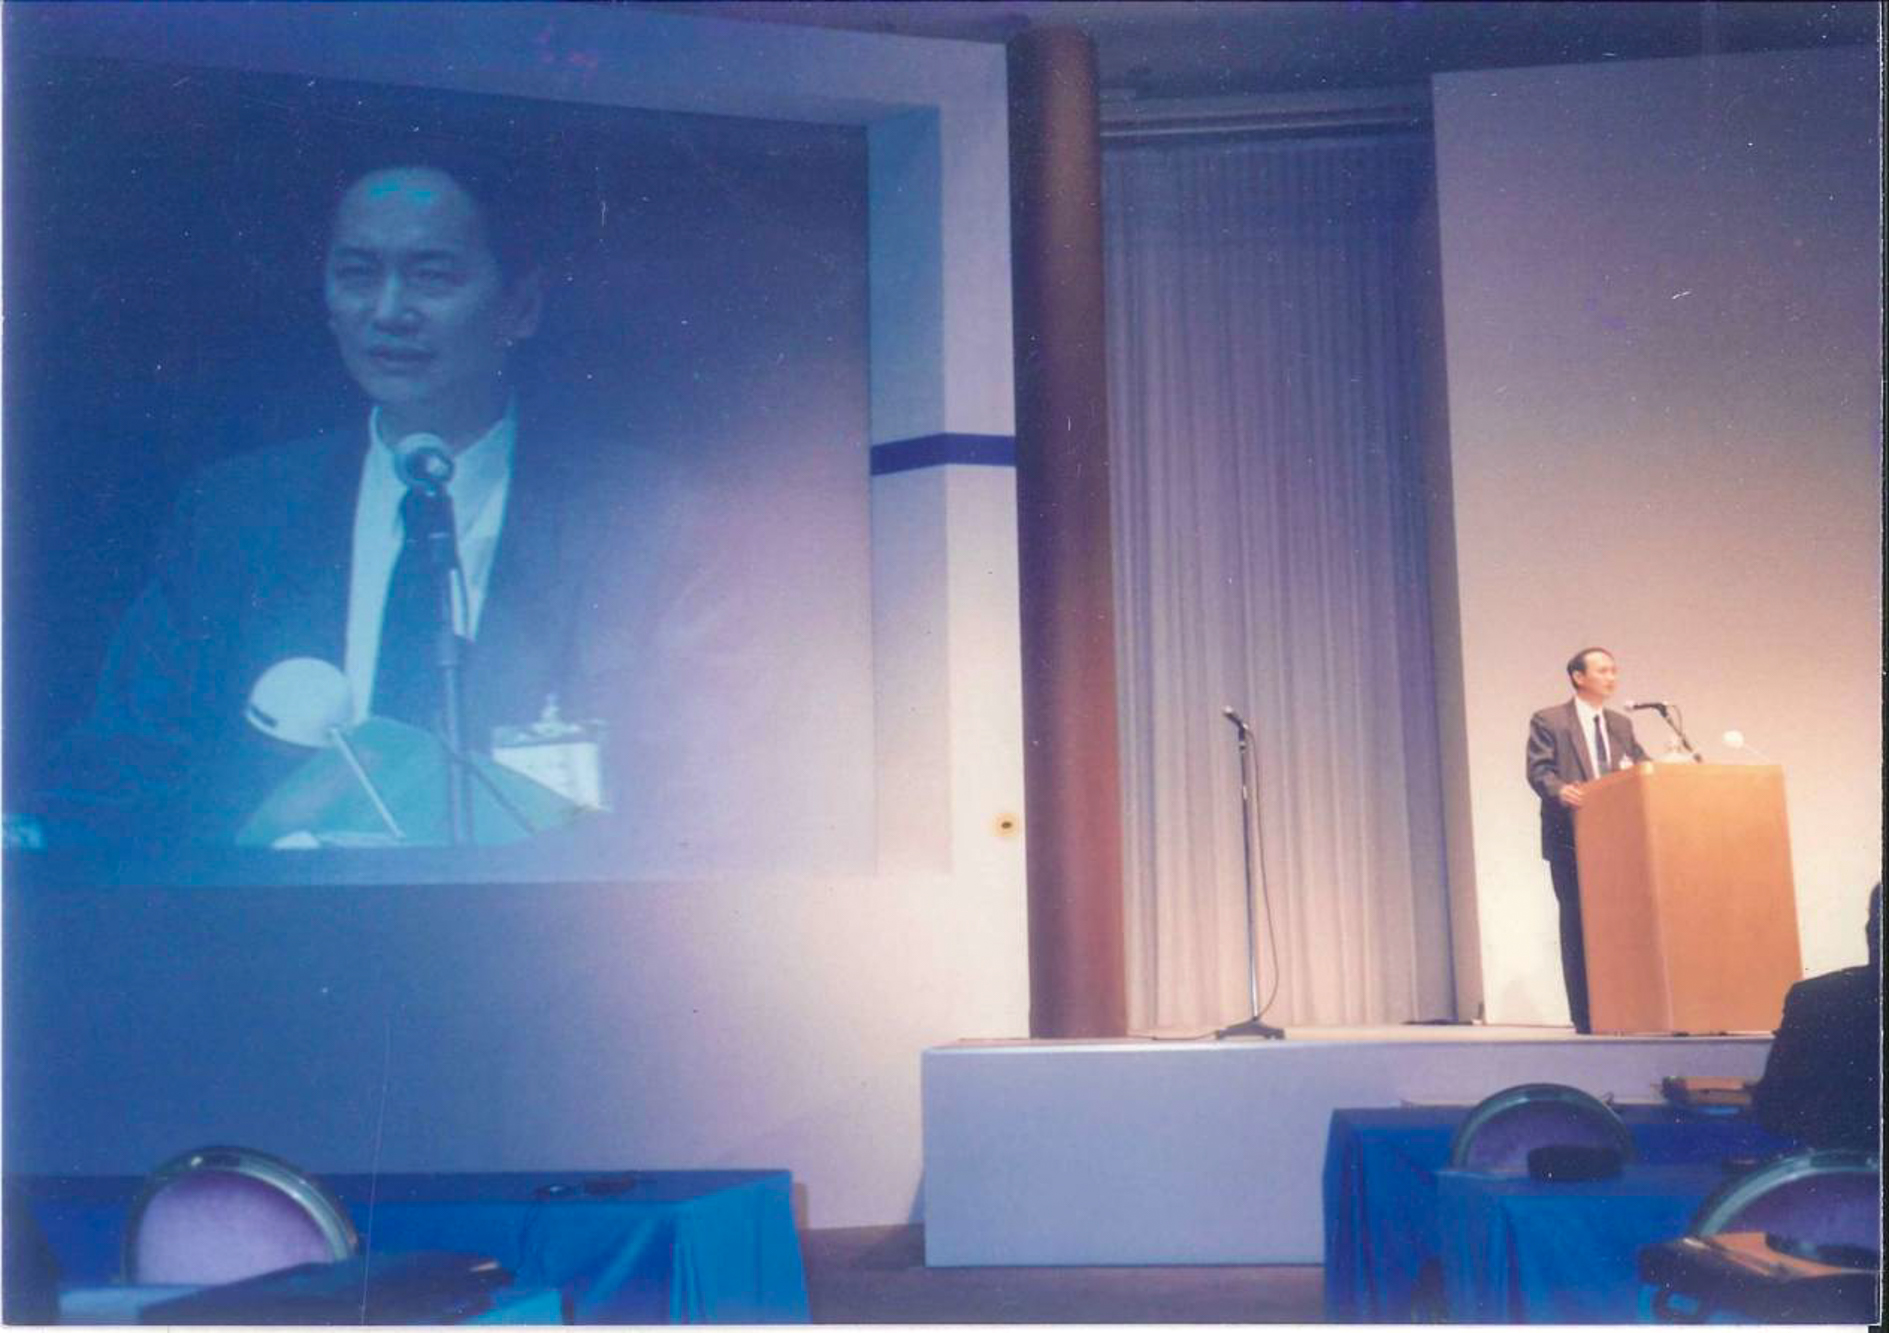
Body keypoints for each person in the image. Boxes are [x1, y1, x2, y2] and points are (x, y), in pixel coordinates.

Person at [31, 154, 706, 850]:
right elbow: (122, 772)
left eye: (431, 276)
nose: (387, 312)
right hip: (268, 916)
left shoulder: (644, 517)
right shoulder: (235, 515)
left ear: (521, 306)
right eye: (358, 275)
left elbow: (708, 796)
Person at [1525, 647, 1649, 1033]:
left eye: (1614, 670)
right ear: (1578, 677)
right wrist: (1561, 790)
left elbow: (1642, 767)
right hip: (1570, 836)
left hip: (1618, 841)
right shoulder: (1550, 720)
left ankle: (1623, 1010)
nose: (1612, 677)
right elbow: (1539, 770)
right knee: (1578, 923)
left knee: (1620, 926)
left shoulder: (1620, 725)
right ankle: (1586, 1015)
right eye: (1603, 671)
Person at [1751, 883, 1882, 1151]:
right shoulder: (1815, 998)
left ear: (1871, 931)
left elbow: (1773, 1110)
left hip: (1837, 1167)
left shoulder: (1816, 998)